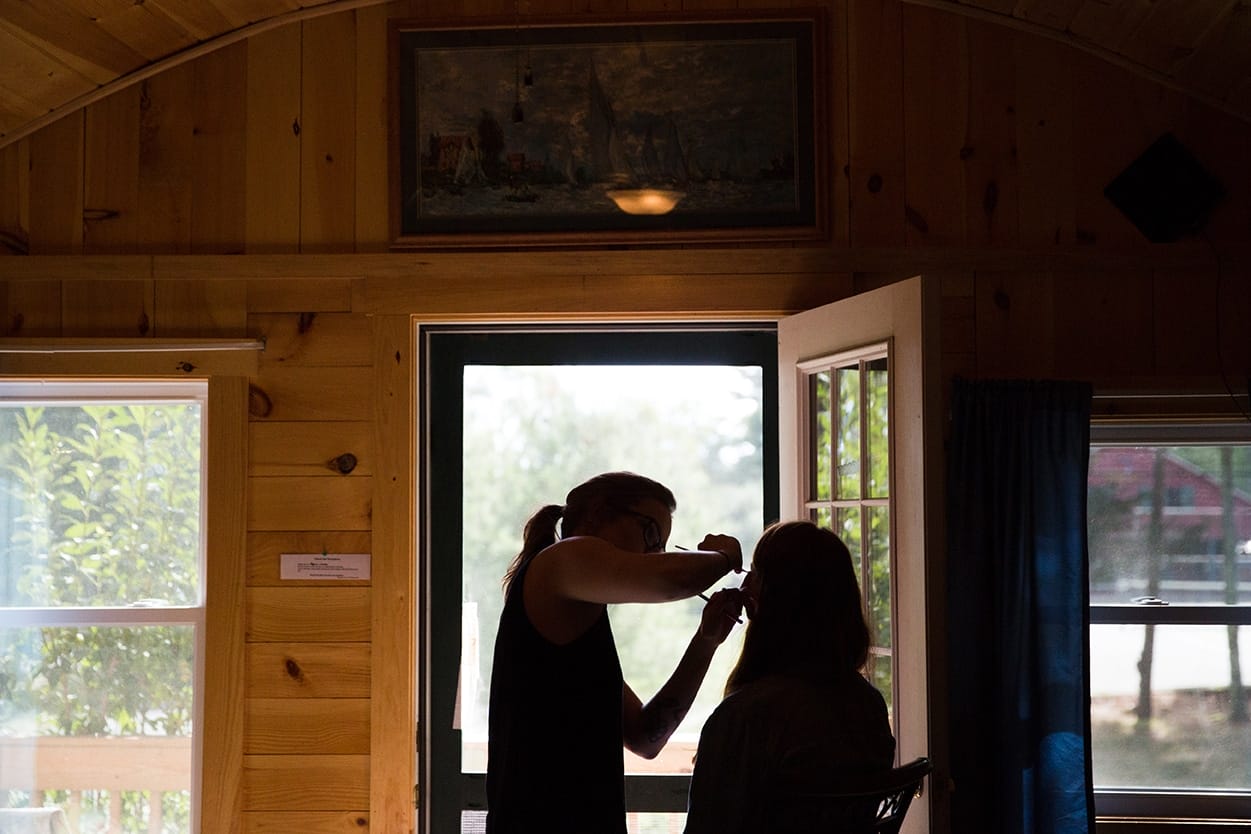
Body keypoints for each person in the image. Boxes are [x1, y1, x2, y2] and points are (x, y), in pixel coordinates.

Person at [485, 471, 745, 834]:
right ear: (600, 513)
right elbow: (672, 579)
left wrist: (706, 641)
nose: (653, 555)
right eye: (651, 534)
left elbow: (646, 737)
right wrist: (723, 554)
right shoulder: (560, 561)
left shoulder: (577, 625)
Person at [684, 520, 896, 834]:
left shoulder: (745, 717)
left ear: (768, 601)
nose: (744, 587)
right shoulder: (868, 706)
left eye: (755, 574)